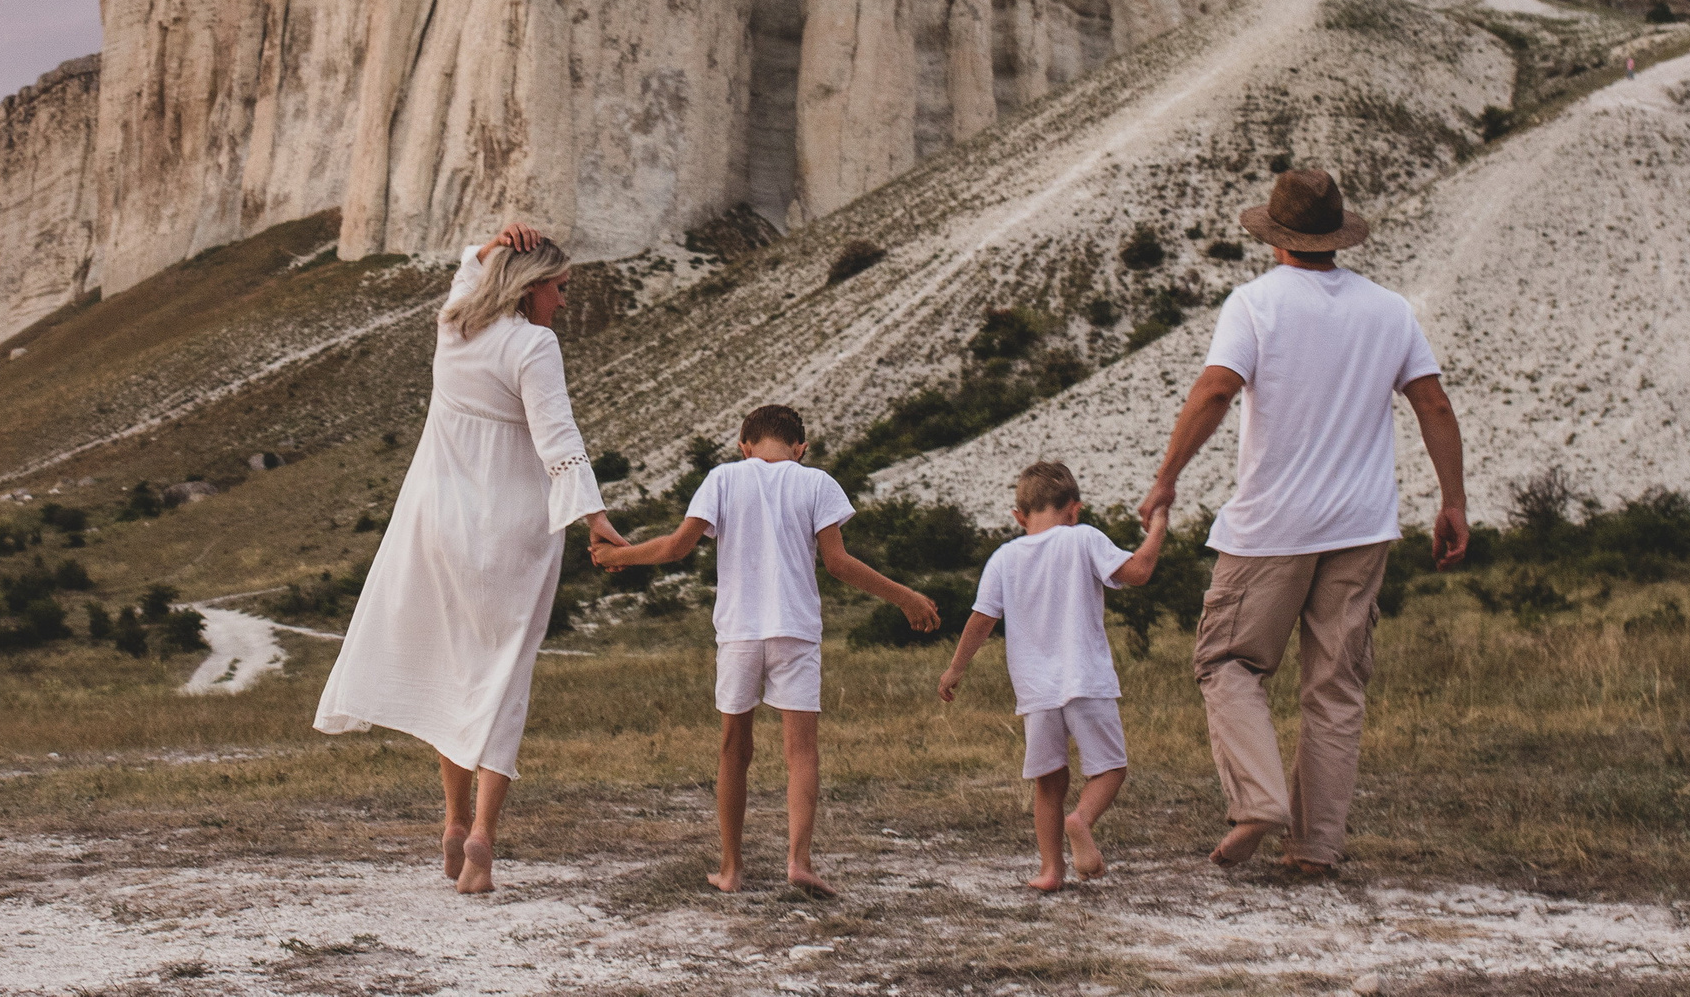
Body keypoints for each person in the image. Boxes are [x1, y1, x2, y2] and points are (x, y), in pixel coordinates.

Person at [1139, 167, 1468, 878]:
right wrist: (1453, 501)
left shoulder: (1255, 304)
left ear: (1276, 237)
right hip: (1362, 522)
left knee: (1227, 660)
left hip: (1273, 524)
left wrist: (1167, 477)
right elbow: (1434, 404)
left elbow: (1217, 388)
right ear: (1336, 236)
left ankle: (1258, 801)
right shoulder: (1389, 309)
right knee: (1335, 685)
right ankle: (1316, 845)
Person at [313, 222, 627, 895]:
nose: (565, 302)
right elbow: (558, 439)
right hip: (510, 528)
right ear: (533, 286)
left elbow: (466, 270)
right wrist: (598, 519)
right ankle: (483, 835)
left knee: (455, 667)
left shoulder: (453, 327)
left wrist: (490, 245)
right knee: (501, 677)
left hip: (437, 520)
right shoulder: (533, 344)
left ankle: (453, 821)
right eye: (561, 288)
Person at [593, 404, 939, 895]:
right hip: (795, 630)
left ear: (744, 445)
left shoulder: (723, 478)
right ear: (801, 448)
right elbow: (838, 563)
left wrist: (617, 556)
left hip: (739, 632)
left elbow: (676, 547)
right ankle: (799, 860)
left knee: (735, 750)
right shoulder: (816, 482)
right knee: (802, 754)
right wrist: (904, 595)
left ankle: (731, 869)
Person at [937, 460, 1170, 891]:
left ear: (1018, 517)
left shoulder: (1004, 557)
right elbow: (1138, 572)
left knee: (1048, 784)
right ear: (1074, 509)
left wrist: (956, 668)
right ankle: (1081, 821)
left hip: (1036, 690)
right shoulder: (1083, 539)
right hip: (1086, 680)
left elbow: (981, 619)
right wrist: (1158, 527)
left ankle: (1049, 871)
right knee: (1110, 769)